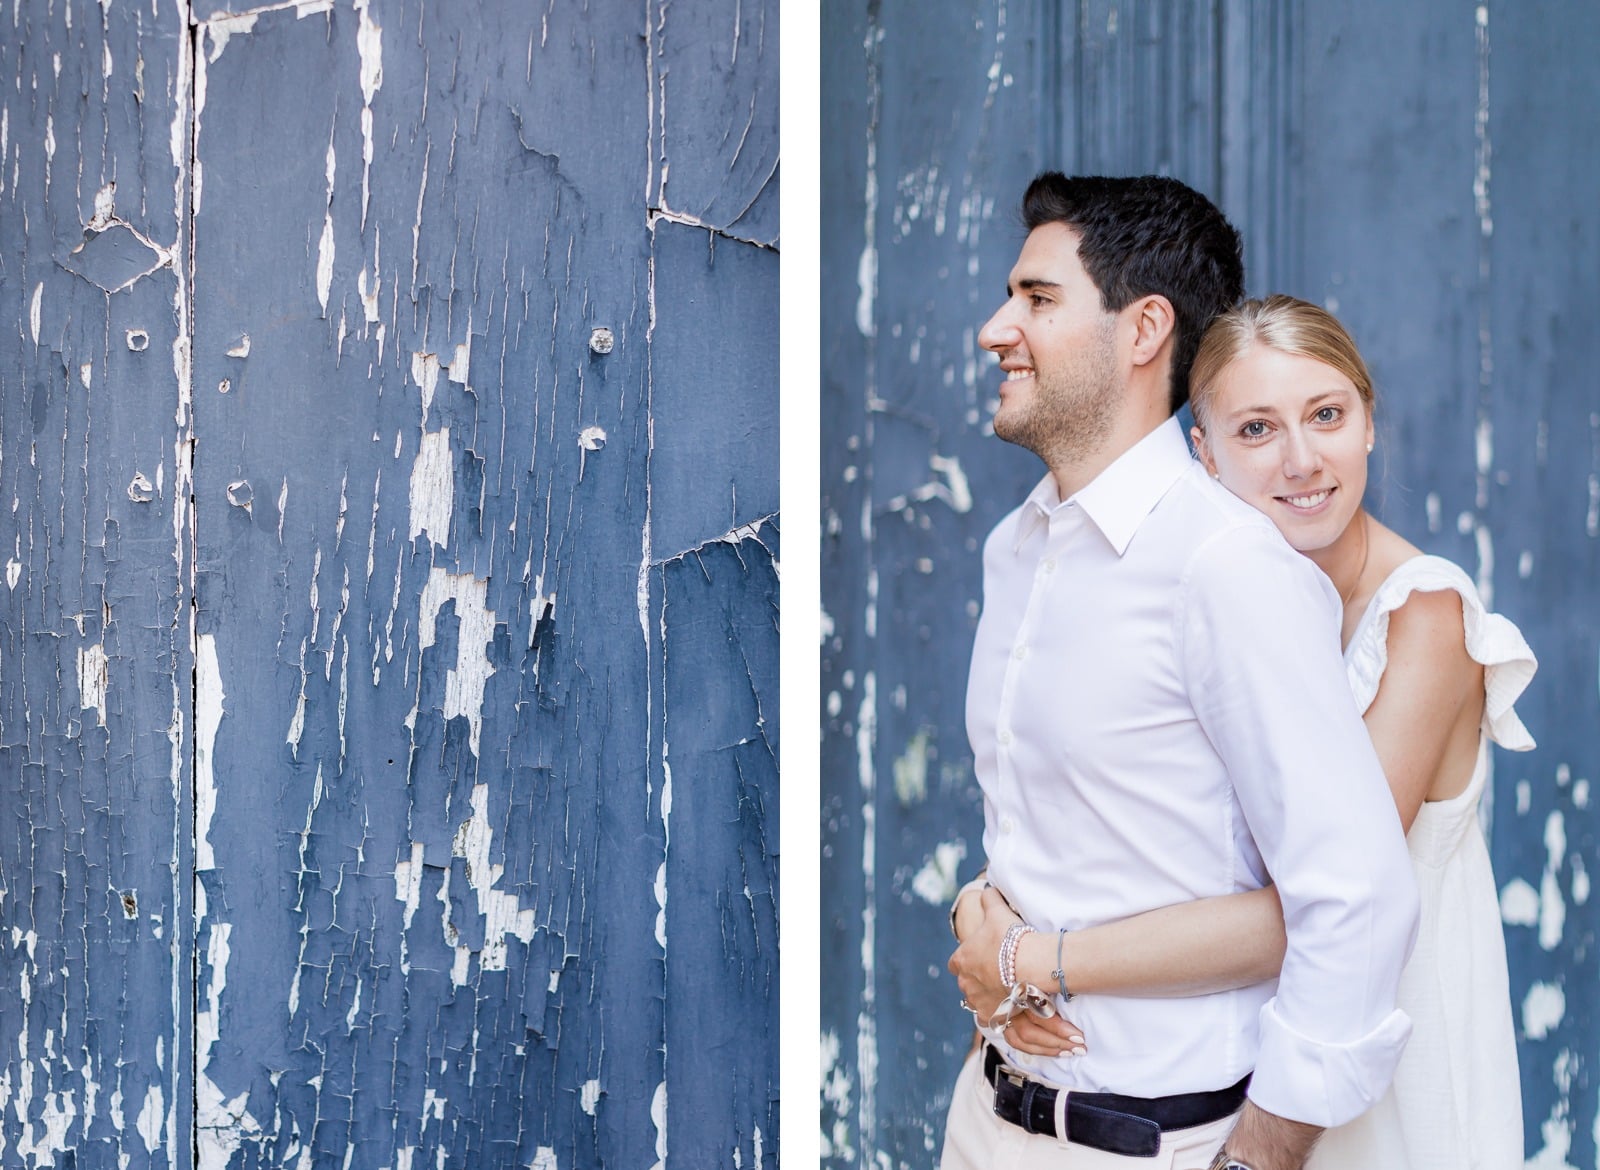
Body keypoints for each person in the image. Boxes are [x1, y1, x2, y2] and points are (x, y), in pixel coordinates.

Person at [951, 295, 1536, 1170]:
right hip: (1242, 1070)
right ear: (1203, 453)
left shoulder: (1427, 620)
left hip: (1382, 1073)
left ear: (1369, 422)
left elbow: (1332, 903)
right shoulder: (1212, 599)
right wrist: (982, 906)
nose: (1303, 460)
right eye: (1257, 429)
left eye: (1327, 415)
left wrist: (1032, 956)